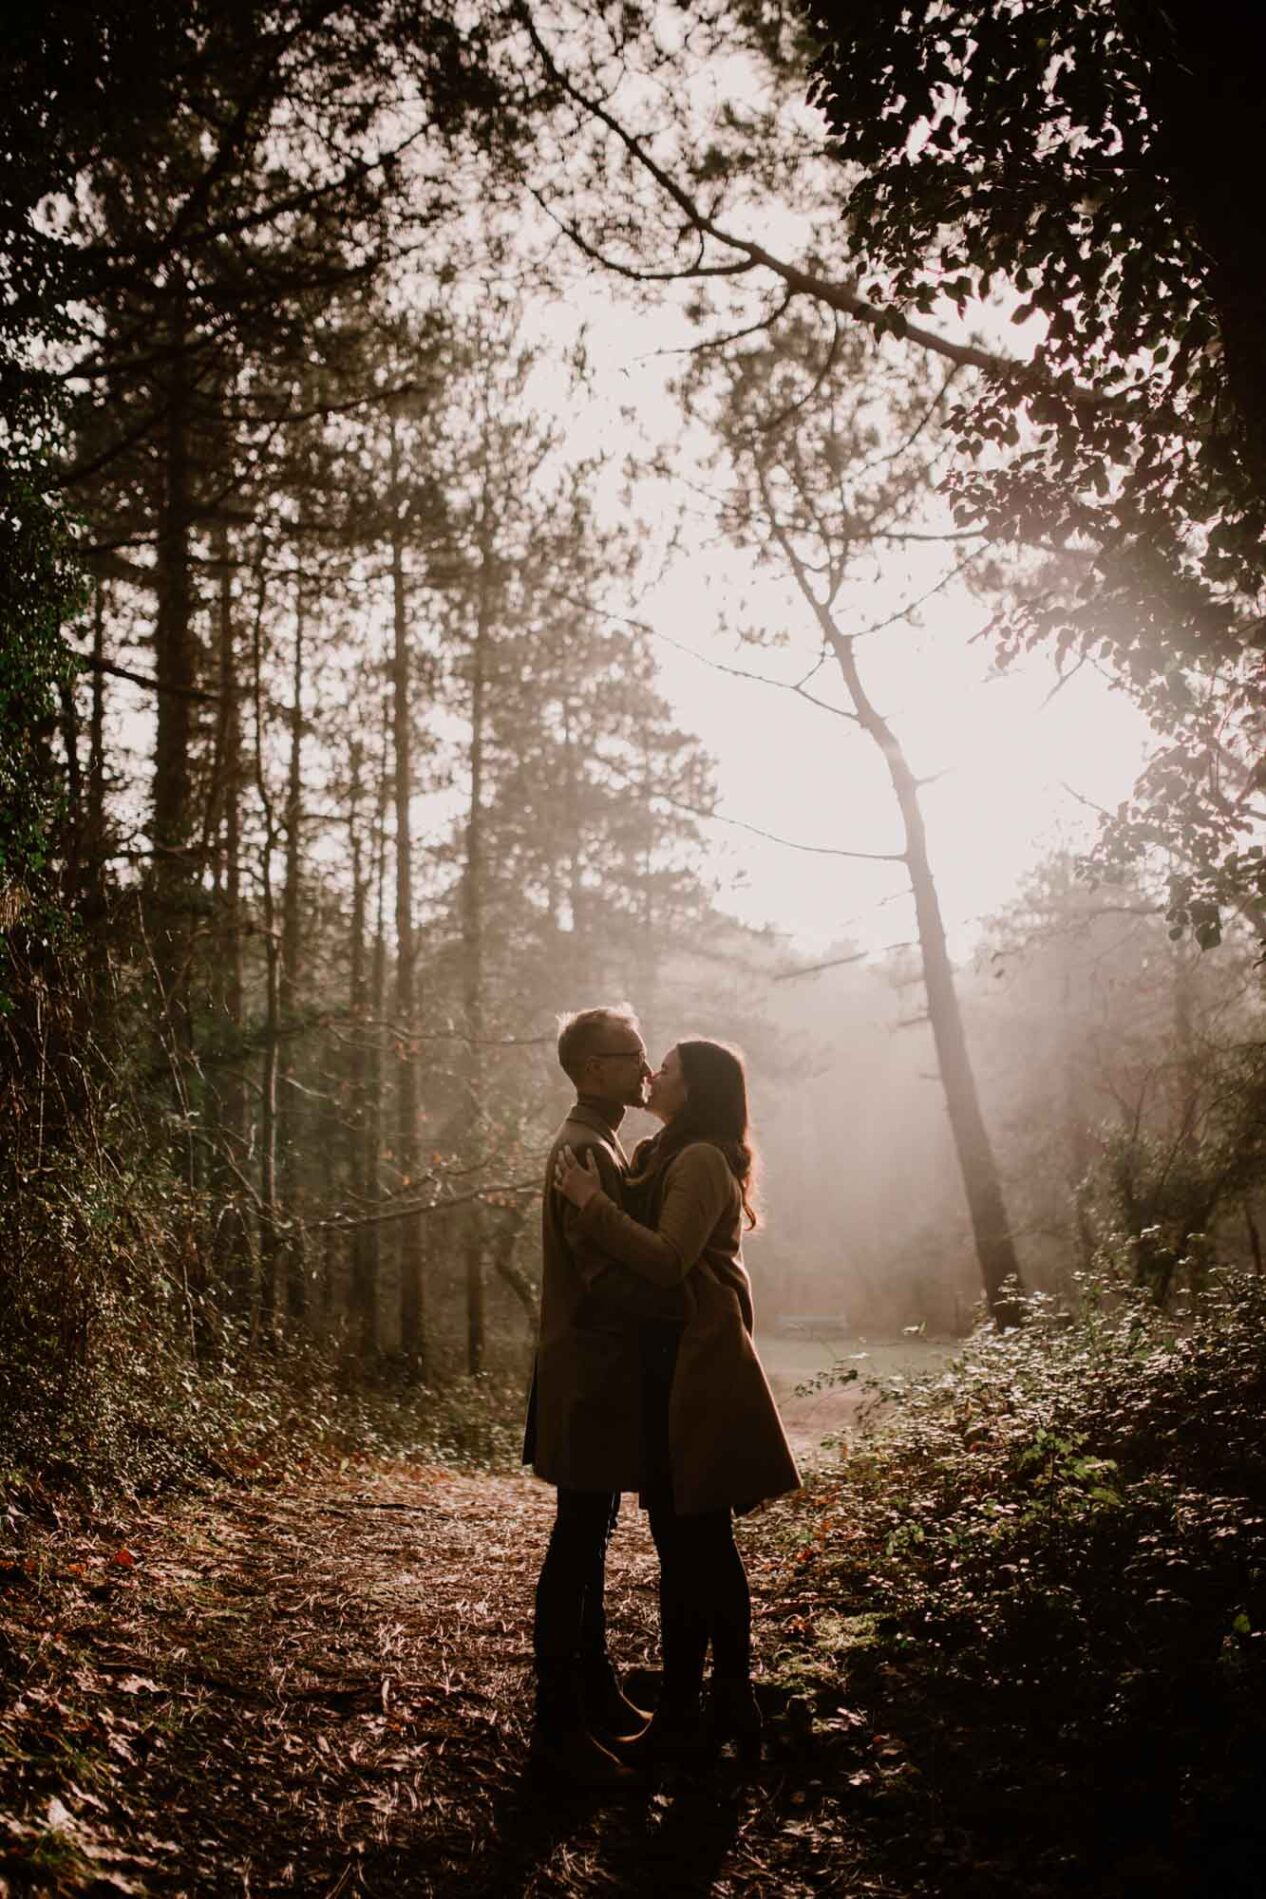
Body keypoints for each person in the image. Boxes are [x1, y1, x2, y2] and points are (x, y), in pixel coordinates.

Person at [554, 1037, 800, 1765]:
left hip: (700, 1367)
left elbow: (665, 1259)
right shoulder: (665, 1150)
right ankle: (722, 1701)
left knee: (693, 1540)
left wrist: (591, 1203)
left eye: (671, 1067)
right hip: (678, 1366)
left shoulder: (697, 1159)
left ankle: (694, 1712)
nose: (654, 1073)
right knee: (694, 1541)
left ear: (695, 1091)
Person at [523, 1004, 689, 1787]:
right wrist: (686, 1293)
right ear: (594, 1068)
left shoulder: (602, 1141)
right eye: (633, 1054)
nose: (646, 1069)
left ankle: (593, 1692)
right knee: (577, 1541)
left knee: (588, 1534)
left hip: (594, 1376)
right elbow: (608, 1278)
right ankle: (556, 1725)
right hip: (587, 1378)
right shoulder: (583, 1148)